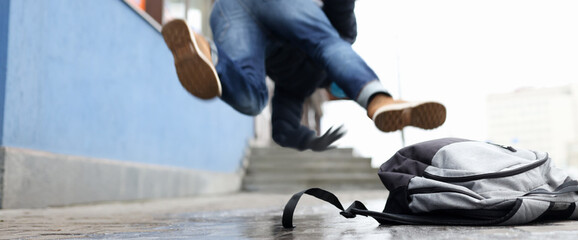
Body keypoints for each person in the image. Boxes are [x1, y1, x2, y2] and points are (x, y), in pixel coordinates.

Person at [161, 0, 446, 151]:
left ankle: (206, 53)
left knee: (252, 98)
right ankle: (378, 100)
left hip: (230, 9)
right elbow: (342, 8)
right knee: (329, 43)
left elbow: (282, 129)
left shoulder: (294, 90)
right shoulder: (342, 38)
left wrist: (309, 140)